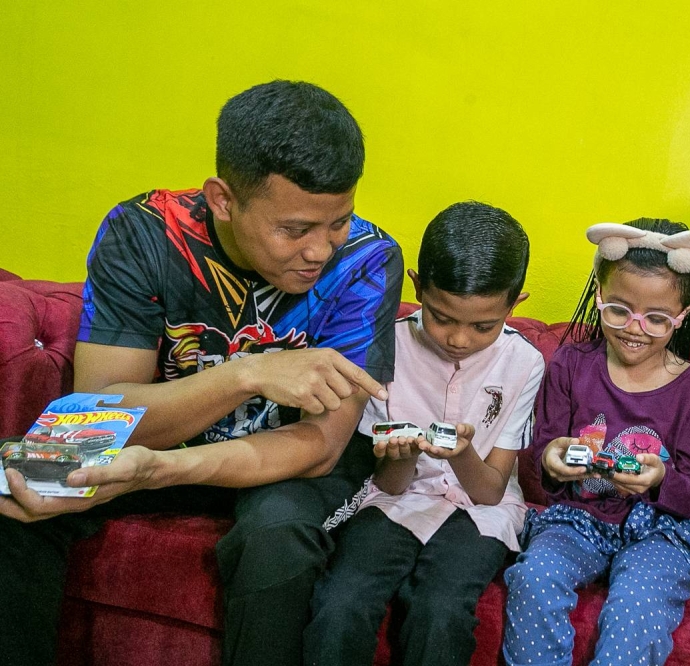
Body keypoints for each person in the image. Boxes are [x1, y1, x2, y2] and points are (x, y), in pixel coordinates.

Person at [0, 80, 403, 666]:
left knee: (278, 539)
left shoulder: (367, 260)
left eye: (337, 222)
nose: (320, 250)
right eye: (294, 230)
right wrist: (247, 375)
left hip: (279, 467)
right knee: (17, 489)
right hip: (152, 439)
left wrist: (155, 471)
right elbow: (99, 413)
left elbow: (318, 447)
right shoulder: (144, 232)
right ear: (222, 198)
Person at [303, 201, 544, 666]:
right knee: (342, 601)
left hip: (480, 513)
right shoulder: (383, 344)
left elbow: (490, 492)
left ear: (515, 305)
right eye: (441, 317)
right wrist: (400, 456)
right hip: (396, 500)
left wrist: (463, 451)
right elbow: (391, 484)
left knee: (441, 610)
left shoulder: (524, 363)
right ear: (416, 286)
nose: (458, 339)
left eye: (482, 326)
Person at [503, 219, 690, 666]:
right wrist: (552, 458)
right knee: (534, 578)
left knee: (637, 603)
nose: (634, 328)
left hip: (659, 532)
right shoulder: (570, 364)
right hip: (575, 520)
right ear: (599, 297)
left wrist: (660, 481)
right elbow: (545, 452)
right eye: (618, 310)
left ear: (683, 315)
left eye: (657, 318)